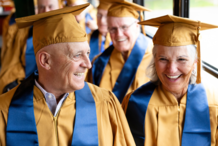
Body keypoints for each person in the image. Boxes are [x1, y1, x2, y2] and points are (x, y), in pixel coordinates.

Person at [0, 4, 135, 146]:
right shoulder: (5, 111)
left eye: (87, 53)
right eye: (77, 55)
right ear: (45, 60)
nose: (88, 64)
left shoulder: (104, 104)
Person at [122, 15, 218, 146]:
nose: (172, 69)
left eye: (181, 59)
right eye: (163, 59)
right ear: (154, 61)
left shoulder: (215, 101)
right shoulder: (135, 102)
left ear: (195, 62)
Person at [86, 0, 153, 103]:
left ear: (136, 25)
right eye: (113, 29)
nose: (119, 34)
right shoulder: (99, 63)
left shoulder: (156, 58)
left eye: (124, 27)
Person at [0, 0, 61, 94]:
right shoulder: (26, 31)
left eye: (50, 6)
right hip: (23, 84)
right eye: (41, 7)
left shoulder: (64, 32)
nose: (46, 11)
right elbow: (13, 62)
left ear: (60, 8)